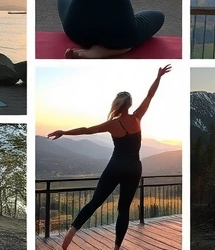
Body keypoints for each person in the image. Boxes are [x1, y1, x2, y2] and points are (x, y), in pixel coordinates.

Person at [48, 65, 171, 250]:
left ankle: (71, 233)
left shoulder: (112, 124)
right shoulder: (137, 117)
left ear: (117, 105)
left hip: (115, 166)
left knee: (95, 202)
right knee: (123, 210)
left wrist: (64, 132)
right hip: (134, 168)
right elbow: (150, 95)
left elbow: (86, 130)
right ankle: (116, 248)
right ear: (129, 105)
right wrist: (159, 76)